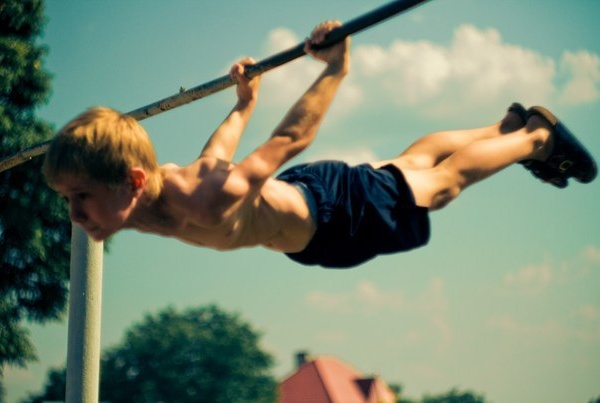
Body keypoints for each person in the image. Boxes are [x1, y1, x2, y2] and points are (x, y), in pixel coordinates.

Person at [42, 21, 597, 269]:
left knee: (437, 185)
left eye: (81, 197)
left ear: (132, 181)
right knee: (410, 164)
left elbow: (291, 138)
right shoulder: (151, 194)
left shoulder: (201, 197)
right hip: (307, 225)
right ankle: (503, 127)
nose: (74, 213)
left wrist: (336, 68)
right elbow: (215, 155)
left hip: (334, 217)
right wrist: (243, 105)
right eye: (68, 198)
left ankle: (533, 138)